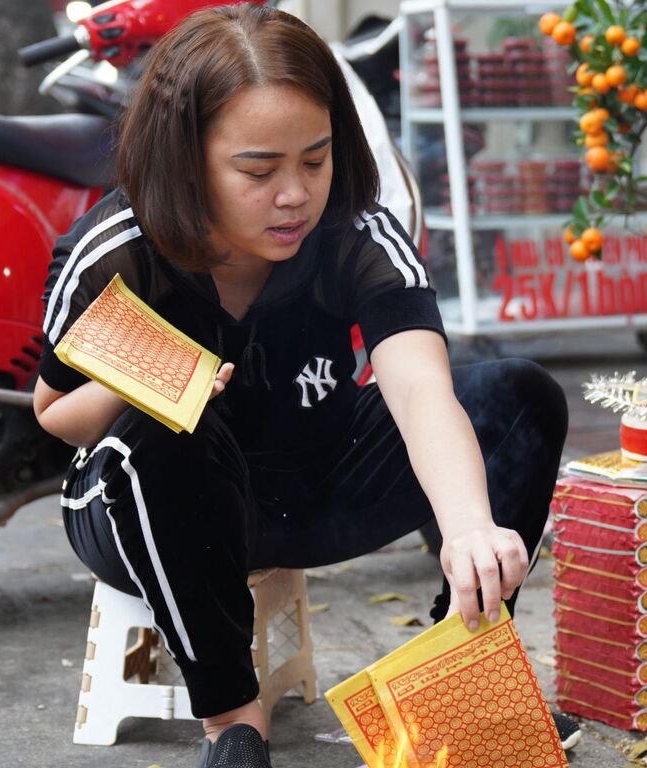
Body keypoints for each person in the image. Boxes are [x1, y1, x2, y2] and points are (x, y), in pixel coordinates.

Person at [30, 7, 574, 766]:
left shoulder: (354, 233)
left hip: (314, 484)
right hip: (153, 511)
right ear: (190, 163)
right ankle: (232, 719)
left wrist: (468, 528)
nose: (295, 195)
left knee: (518, 398)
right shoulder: (120, 255)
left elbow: (419, 388)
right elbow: (54, 414)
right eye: (259, 171)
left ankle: (463, 665)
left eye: (314, 161)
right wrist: (156, 381)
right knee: (158, 436)